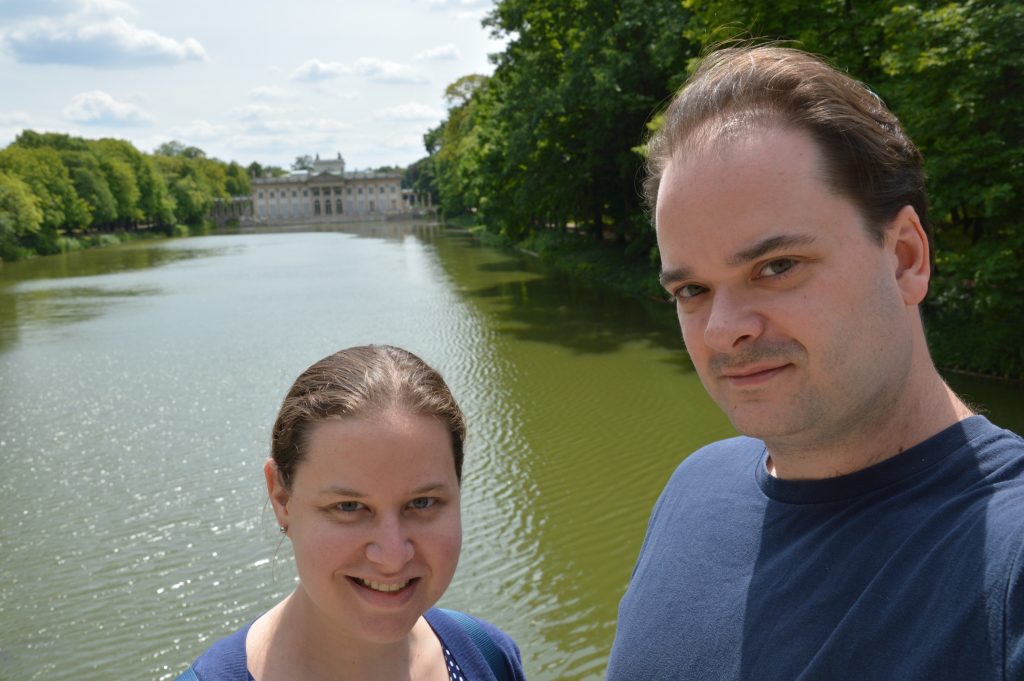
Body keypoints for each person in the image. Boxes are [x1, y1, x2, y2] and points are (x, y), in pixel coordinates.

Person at [607, 46, 1024, 680]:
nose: (722, 331)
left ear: (906, 258)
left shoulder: (1010, 562)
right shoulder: (693, 488)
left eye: (776, 268)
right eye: (691, 291)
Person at [177, 345, 526, 681]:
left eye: (422, 503)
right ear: (282, 498)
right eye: (348, 507)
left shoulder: (489, 656)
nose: (392, 557)